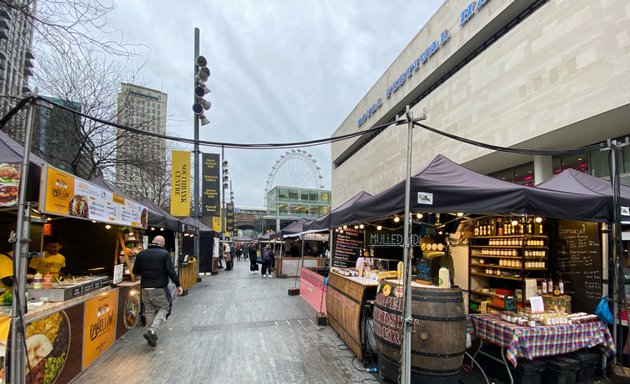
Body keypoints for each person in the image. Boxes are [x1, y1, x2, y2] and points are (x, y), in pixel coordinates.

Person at [132, 235, 183, 347]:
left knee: (149, 311)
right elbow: (171, 271)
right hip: (159, 288)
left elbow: (135, 271)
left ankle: (151, 333)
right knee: (165, 307)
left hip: (145, 288)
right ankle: (152, 331)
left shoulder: (141, 254)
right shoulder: (165, 254)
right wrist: (178, 285)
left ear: (152, 242)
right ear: (162, 244)